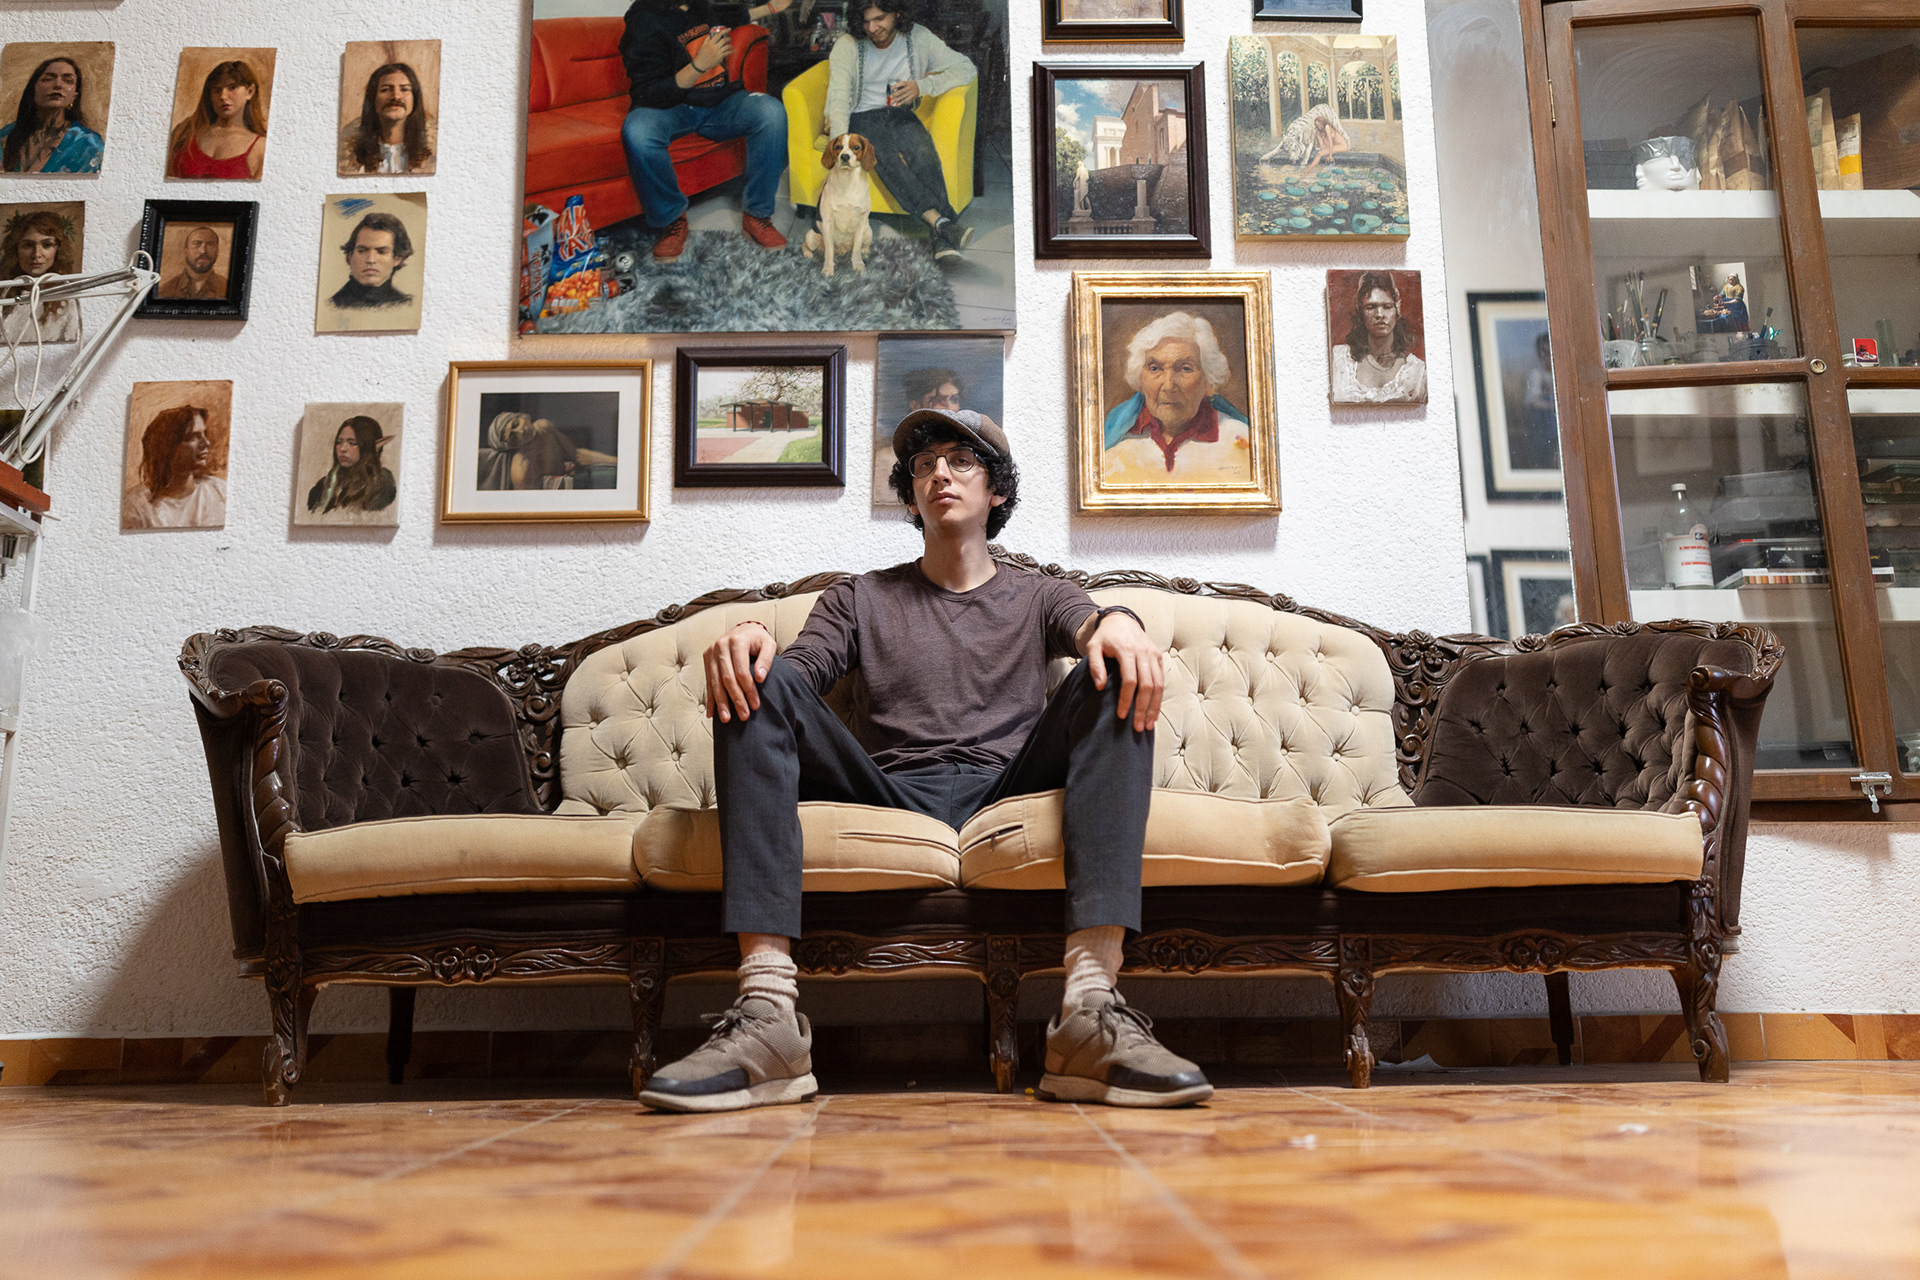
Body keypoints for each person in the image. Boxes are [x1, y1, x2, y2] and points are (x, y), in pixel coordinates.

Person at [638, 407, 1212, 1115]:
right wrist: (753, 634)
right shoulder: (858, 597)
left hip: (1006, 788)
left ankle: (1090, 1010)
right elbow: (800, 675)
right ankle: (768, 1013)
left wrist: (1119, 620)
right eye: (924, 464)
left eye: (961, 460)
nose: (940, 472)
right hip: (888, 790)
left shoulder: (1039, 594)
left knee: (1114, 668)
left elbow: (1089, 624)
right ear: (911, 495)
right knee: (761, 681)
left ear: (996, 491)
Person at [619, 0, 797, 261]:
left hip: (719, 103)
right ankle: (671, 220)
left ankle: (757, 215)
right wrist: (700, 65)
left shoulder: (699, 6)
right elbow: (649, 93)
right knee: (637, 131)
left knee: (771, 111)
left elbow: (732, 15)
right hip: (672, 109)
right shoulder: (643, 19)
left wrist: (771, 8)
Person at [825, 0, 978, 262]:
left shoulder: (918, 37)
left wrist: (923, 86)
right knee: (885, 157)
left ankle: (942, 233)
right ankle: (943, 225)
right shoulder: (847, 45)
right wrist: (838, 148)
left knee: (923, 155)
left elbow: (966, 68)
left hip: (900, 114)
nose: (872, 28)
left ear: (897, 13)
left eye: (880, 19)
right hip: (861, 117)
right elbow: (839, 100)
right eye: (866, 21)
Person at [1101, 311, 1252, 482]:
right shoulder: (1113, 444)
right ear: (1140, 380)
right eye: (1155, 368)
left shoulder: (1241, 442)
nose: (1169, 385)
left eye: (1185, 368)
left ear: (1209, 382)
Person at [1329, 271, 1427, 404]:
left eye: (1387, 307)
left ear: (1397, 310)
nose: (1380, 314)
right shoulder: (1340, 360)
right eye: (1371, 307)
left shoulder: (1416, 372)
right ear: (1361, 312)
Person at [124, 406, 226, 529]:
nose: (206, 443)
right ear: (167, 446)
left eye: (204, 434)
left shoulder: (220, 490)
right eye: (193, 437)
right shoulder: (136, 506)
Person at [0, 56, 104, 174]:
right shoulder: (4, 136)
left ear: (74, 97)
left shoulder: (89, 145)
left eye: (68, 81)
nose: (58, 85)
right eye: (48, 79)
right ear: (33, 89)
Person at [166, 60, 267, 180]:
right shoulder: (184, 133)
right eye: (216, 90)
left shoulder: (261, 148)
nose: (223, 96)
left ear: (250, 92)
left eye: (232, 87)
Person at [1, 208, 82, 344]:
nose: (37, 254)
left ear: (57, 250)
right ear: (16, 249)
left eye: (46, 245)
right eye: (28, 245)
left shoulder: (68, 301)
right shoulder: (4, 295)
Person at [340, 62, 435, 175]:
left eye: (404, 89)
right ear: (373, 98)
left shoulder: (433, 155)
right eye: (385, 90)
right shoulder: (348, 157)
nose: (396, 96)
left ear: (415, 98)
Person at [306, 416, 397, 515]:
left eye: (352, 443)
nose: (342, 449)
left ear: (368, 447)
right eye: (339, 442)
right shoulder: (323, 485)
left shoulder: (382, 482)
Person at [329, 212, 415, 310]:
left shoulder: (406, 305)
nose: (371, 260)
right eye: (362, 251)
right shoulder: (333, 305)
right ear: (349, 256)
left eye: (381, 252)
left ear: (397, 259)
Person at [1260, 101, 1348, 172]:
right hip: (1323, 143)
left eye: (1318, 125)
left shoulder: (1326, 127)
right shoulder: (1312, 131)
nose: (1316, 127)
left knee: (1321, 151)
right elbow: (1282, 146)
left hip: (1326, 113)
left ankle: (1307, 171)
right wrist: (1267, 156)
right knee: (1320, 152)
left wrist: (1305, 161)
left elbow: (1312, 143)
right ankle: (1307, 171)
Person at [157, 225, 227, 301]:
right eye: (196, 244)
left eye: (210, 244)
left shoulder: (227, 288)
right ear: (186, 251)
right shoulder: (165, 290)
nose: (203, 251)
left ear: (217, 251)